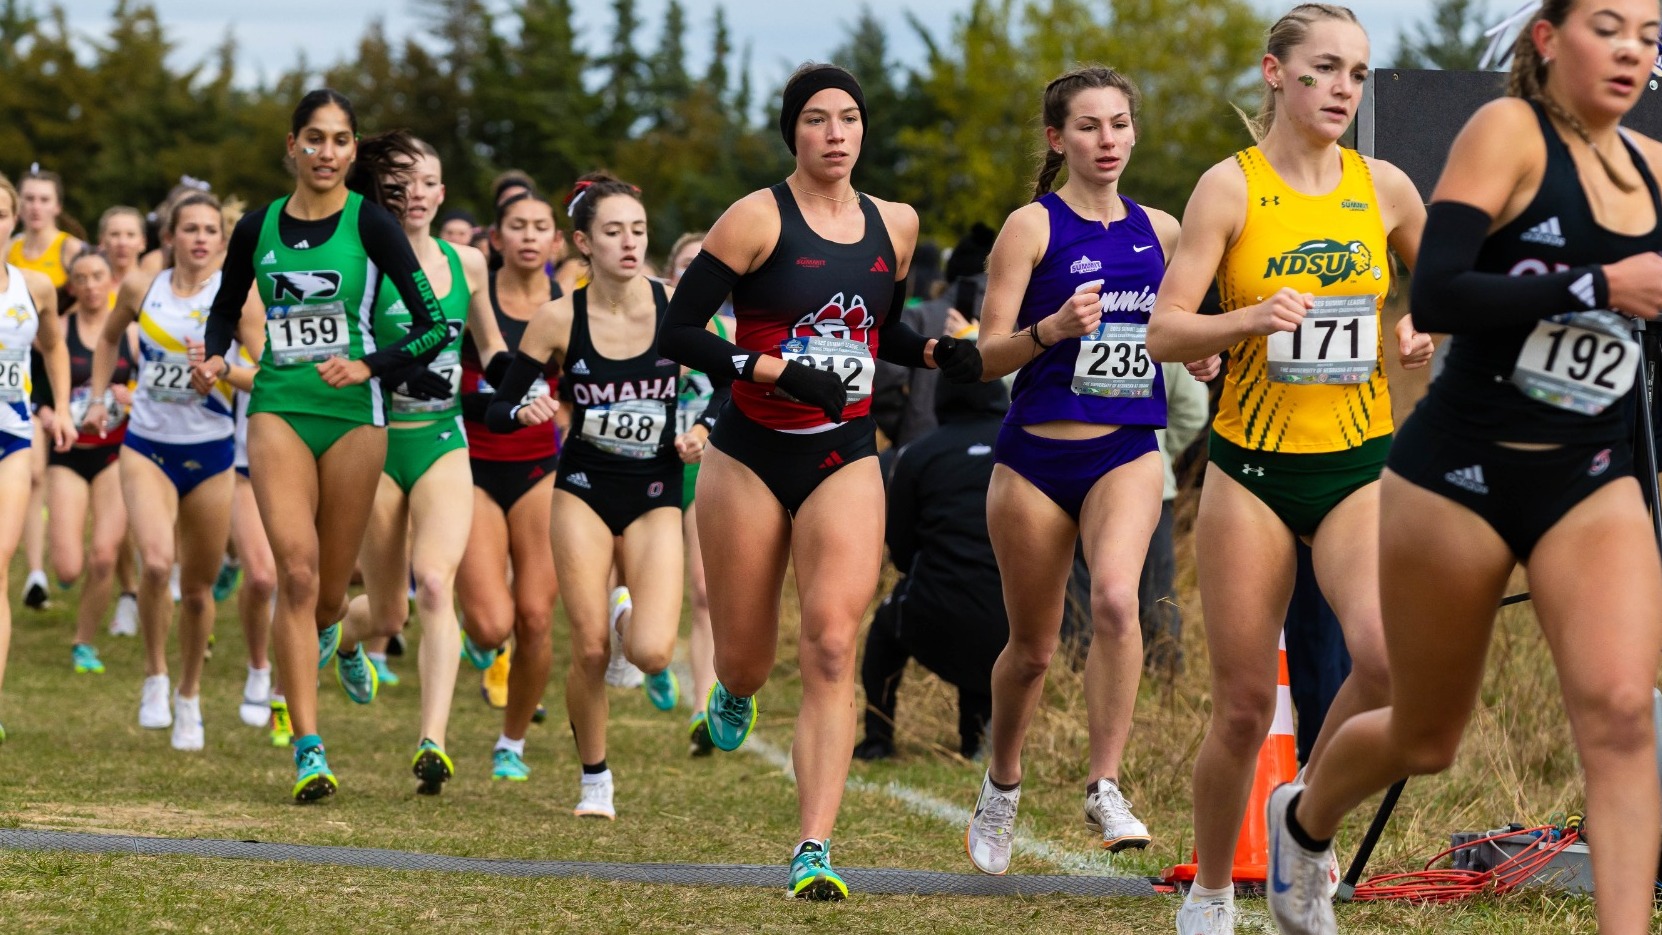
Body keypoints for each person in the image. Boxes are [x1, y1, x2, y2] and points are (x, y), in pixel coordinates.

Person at [1269, 2, 1662, 933]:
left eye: (1648, 33)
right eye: (1608, 27)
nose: (1631, 50)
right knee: (1426, 733)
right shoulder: (1508, 134)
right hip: (1462, 474)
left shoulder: (1651, 168)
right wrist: (1598, 285)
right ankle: (1306, 813)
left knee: (1619, 716)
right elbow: (1439, 289)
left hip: (1591, 476)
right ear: (1547, 38)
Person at [658, 62, 982, 900]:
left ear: (864, 130)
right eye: (815, 120)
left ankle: (813, 845)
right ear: (792, 133)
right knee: (748, 658)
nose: (834, 133)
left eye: (848, 118)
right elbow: (678, 332)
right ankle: (731, 689)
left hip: (844, 452)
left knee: (833, 643)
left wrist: (943, 351)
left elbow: (883, 333)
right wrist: (769, 368)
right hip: (748, 453)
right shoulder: (756, 218)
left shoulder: (897, 225)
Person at [1143, 5, 1431, 932]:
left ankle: (1303, 816)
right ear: (1276, 74)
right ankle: (1215, 888)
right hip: (1253, 473)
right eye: (1323, 70)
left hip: (1358, 464)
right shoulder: (1228, 189)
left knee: (1386, 664)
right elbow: (1163, 328)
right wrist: (1246, 319)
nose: (1343, 89)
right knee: (1237, 708)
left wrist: (1425, 329)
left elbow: (1447, 289)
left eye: (1356, 72)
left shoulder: (1386, 188)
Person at [192, 89, 451, 799]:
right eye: (315, 138)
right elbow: (223, 307)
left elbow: (433, 327)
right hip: (278, 406)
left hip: (355, 415)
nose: (328, 152)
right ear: (292, 145)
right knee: (294, 576)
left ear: (350, 149)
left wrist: (370, 363)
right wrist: (216, 355)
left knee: (333, 592)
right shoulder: (257, 226)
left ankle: (334, 632)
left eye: (341, 140)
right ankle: (308, 744)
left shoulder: (372, 226)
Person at [960, 66, 1180, 876]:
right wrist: (1049, 329)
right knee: (1032, 648)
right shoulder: (1031, 227)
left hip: (1123, 445)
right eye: (1089, 127)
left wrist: (1213, 362)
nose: (1108, 140)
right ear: (1058, 138)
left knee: (1120, 600)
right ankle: (1003, 781)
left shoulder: (1163, 230)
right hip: (1036, 458)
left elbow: (1189, 332)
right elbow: (983, 357)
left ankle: (1105, 783)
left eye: (1120, 124)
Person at [487, 172, 697, 818]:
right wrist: (523, 409)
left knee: (653, 650)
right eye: (613, 232)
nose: (629, 243)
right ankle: (595, 780)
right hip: (581, 485)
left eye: (638, 230)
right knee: (588, 648)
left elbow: (730, 379)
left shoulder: (676, 308)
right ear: (583, 242)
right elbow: (500, 404)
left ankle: (623, 613)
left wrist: (705, 427)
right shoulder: (556, 319)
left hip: (656, 488)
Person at [338, 139, 505, 794]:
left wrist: (518, 390)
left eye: (429, 182)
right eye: (402, 183)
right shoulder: (365, 263)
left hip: (441, 442)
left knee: (436, 582)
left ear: (442, 193)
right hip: (379, 444)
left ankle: (432, 740)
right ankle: (349, 640)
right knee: (386, 615)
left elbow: (488, 345)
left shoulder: (469, 261)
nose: (416, 193)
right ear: (385, 193)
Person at [88, 191, 262, 750]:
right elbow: (108, 335)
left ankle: (190, 695)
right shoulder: (144, 287)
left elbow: (263, 372)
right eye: (190, 229)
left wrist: (221, 371)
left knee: (198, 587)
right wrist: (97, 397)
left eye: (211, 230)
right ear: (170, 237)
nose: (202, 239)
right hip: (147, 446)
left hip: (212, 454)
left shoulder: (236, 297)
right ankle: (155, 677)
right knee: (158, 565)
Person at [454, 191, 564, 781]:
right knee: (492, 624)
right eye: (515, 226)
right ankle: (475, 633)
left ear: (557, 242)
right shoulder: (476, 297)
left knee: (536, 618)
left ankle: (512, 742)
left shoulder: (571, 306)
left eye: (540, 227)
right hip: (471, 464)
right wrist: (495, 402)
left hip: (539, 468)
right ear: (495, 239)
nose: (527, 236)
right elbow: (441, 379)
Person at [857, 375, 1010, 761]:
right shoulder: (1028, 447)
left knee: (884, 631)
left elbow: (903, 548)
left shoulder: (918, 454)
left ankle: (878, 735)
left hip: (935, 605)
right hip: (1016, 611)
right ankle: (975, 741)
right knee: (990, 633)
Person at [0, 170, 78, 743]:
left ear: (14, 221)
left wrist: (65, 408)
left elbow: (53, 346)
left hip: (11, 435)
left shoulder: (36, 286)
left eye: (0, 214)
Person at [46, 251, 136, 676]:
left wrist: (132, 397)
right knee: (68, 566)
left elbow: (153, 383)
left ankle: (83, 642)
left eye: (98, 276)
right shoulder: (58, 331)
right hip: (68, 455)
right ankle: (62, 575)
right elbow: (36, 392)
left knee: (104, 555)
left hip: (115, 453)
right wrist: (49, 414)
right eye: (81, 278)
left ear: (110, 281)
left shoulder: (131, 333)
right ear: (72, 286)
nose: (91, 285)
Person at [666, 229, 729, 755]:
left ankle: (702, 709)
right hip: (645, 473)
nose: (692, 274)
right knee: (646, 594)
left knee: (704, 593)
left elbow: (736, 388)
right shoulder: (650, 328)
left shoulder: (725, 329)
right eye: (684, 265)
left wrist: (704, 429)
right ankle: (645, 657)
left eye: (701, 266)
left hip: (704, 471)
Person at [10, 168, 83, 613]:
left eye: (43, 199)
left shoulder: (70, 250)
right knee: (34, 471)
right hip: (21, 359)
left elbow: (99, 292)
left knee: (44, 469)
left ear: (57, 205)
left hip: (58, 359)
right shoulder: (11, 247)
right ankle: (35, 571)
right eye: (29, 199)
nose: (35, 207)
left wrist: (52, 329)